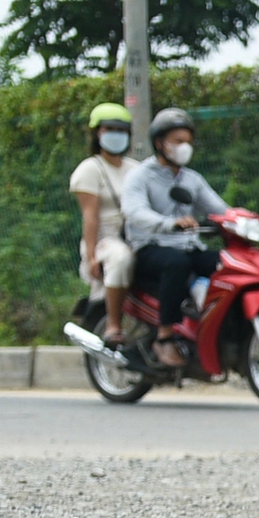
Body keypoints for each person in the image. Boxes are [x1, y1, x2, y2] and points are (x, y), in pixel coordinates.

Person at [121, 108, 228, 367]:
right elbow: (134, 212)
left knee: (226, 263)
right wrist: (169, 223)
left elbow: (220, 209)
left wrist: (248, 223)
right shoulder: (140, 175)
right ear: (160, 143)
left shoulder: (192, 179)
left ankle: (215, 329)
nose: (184, 147)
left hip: (188, 246)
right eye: (178, 141)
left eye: (188, 142)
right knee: (176, 263)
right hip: (151, 248)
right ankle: (165, 337)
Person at [68, 102, 141, 344]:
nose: (116, 135)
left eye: (121, 130)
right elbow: (91, 216)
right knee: (121, 258)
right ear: (97, 133)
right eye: (109, 129)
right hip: (105, 239)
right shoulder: (90, 169)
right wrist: (91, 257)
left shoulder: (135, 169)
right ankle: (113, 323)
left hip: (136, 235)